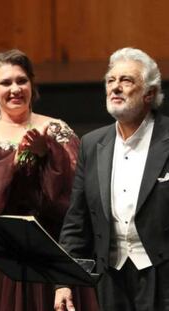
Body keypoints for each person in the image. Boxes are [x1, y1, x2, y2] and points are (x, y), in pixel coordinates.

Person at [0, 49, 98, 311]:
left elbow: (77, 197)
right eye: (5, 83)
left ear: (32, 84)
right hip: (0, 257)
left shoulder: (56, 129)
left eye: (21, 80)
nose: (15, 89)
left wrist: (48, 156)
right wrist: (12, 163)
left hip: (50, 251)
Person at [54, 47, 169, 311]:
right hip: (111, 280)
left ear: (149, 94)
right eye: (110, 81)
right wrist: (63, 282)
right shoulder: (92, 144)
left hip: (162, 279)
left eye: (126, 80)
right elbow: (76, 221)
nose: (115, 87)